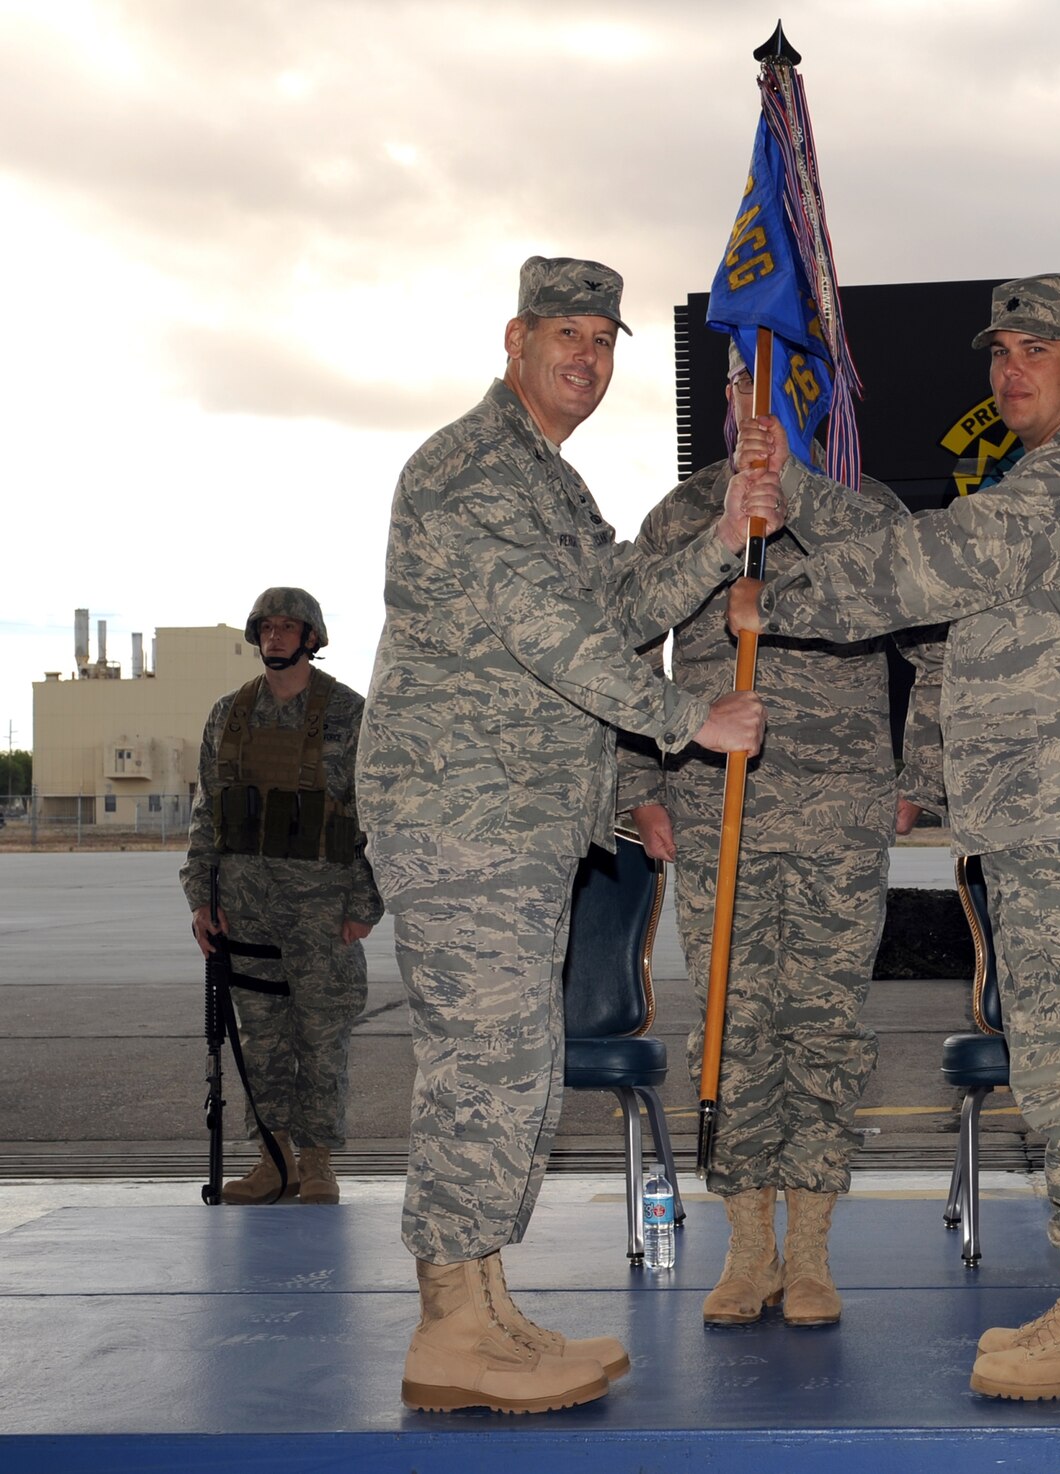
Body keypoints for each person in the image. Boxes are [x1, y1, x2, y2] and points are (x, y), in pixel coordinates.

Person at [727, 273, 1060, 1401]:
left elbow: (929, 563)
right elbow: (919, 537)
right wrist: (795, 495)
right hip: (1045, 821)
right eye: (1000, 351)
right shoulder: (1043, 478)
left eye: (1040, 348)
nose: (1012, 367)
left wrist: (771, 604)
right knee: (1059, 1063)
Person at [357, 256, 775, 1416]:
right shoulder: (468, 470)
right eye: (566, 335)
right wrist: (692, 718)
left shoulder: (553, 486)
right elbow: (555, 637)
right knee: (482, 1067)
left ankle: (483, 1302)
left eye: (603, 339)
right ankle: (450, 1327)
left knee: (513, 1069)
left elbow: (619, 604)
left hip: (518, 820)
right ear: (514, 339)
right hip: (459, 813)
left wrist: (720, 538)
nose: (586, 358)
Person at [625, 343, 944, 1330]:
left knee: (823, 1031)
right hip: (715, 808)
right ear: (725, 399)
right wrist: (640, 785)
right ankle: (745, 1247)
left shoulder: (866, 512)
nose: (760, 402)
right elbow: (628, 645)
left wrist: (916, 778)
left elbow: (936, 644)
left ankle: (808, 1253)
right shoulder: (684, 516)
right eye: (745, 384)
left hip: (840, 813)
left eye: (783, 386)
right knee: (727, 1026)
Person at [183, 587, 381, 1207]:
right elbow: (207, 813)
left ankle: (318, 1164)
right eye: (266, 627)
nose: (275, 637)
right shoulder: (229, 714)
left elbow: (379, 813)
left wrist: (365, 903)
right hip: (245, 906)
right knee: (262, 1039)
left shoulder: (350, 714)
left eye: (288, 627)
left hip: (323, 909)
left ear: (312, 638)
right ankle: (274, 1161)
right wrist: (200, 896)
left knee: (321, 1039)